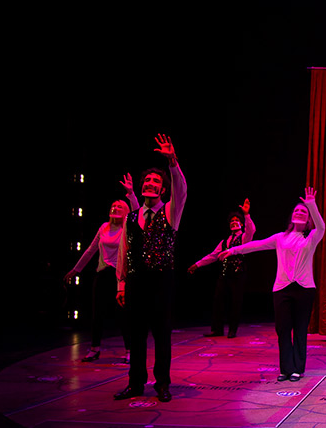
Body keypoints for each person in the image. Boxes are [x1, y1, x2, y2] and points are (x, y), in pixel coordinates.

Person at [219, 188, 325, 382]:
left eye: (304, 212)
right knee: (283, 329)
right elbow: (256, 245)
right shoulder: (280, 238)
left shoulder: (311, 238)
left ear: (309, 218)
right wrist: (233, 250)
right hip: (282, 289)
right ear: (291, 216)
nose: (299, 213)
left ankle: (297, 369)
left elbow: (322, 226)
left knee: (300, 329)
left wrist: (311, 203)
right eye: (297, 211)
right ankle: (286, 368)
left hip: (304, 289)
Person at [114, 134, 187, 403]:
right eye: (148, 180)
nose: (150, 183)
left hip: (161, 280)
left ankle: (162, 384)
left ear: (162, 190)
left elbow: (182, 190)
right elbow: (124, 251)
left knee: (161, 335)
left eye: (156, 181)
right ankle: (135, 383)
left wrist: (171, 162)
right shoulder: (131, 217)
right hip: (136, 281)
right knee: (136, 335)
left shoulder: (170, 212)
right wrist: (121, 284)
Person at [65, 175, 139, 362]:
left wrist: (130, 194)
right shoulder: (104, 228)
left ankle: (130, 351)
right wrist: (76, 270)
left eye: (120, 207)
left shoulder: (128, 227)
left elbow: (138, 212)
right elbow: (90, 250)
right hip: (102, 273)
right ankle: (94, 348)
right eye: (113, 206)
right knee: (97, 312)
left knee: (123, 314)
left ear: (126, 212)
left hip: (120, 275)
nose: (115, 208)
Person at [188, 199, 257, 338]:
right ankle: (217, 329)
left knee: (235, 302)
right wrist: (197, 264)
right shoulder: (224, 242)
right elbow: (213, 256)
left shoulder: (244, 237)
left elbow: (251, 230)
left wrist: (247, 215)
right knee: (218, 300)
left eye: (237, 220)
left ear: (241, 224)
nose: (233, 222)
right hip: (225, 274)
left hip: (238, 274)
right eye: (231, 220)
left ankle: (232, 330)